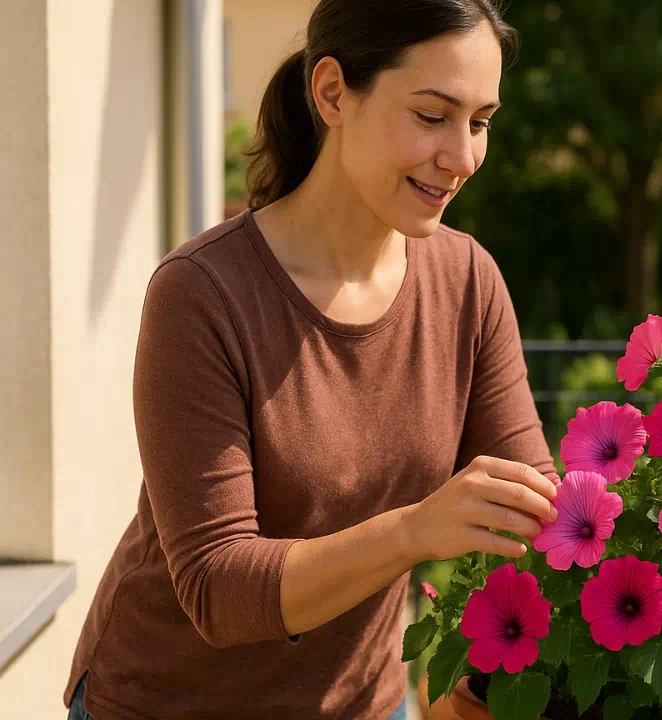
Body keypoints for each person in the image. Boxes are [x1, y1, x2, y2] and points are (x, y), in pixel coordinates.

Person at [63, 1, 560, 718]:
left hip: (363, 702)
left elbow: (534, 505)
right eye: (431, 116)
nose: (462, 158)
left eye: (479, 122)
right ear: (332, 93)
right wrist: (414, 530)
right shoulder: (203, 293)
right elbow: (219, 588)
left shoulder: (467, 280)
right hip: (168, 703)